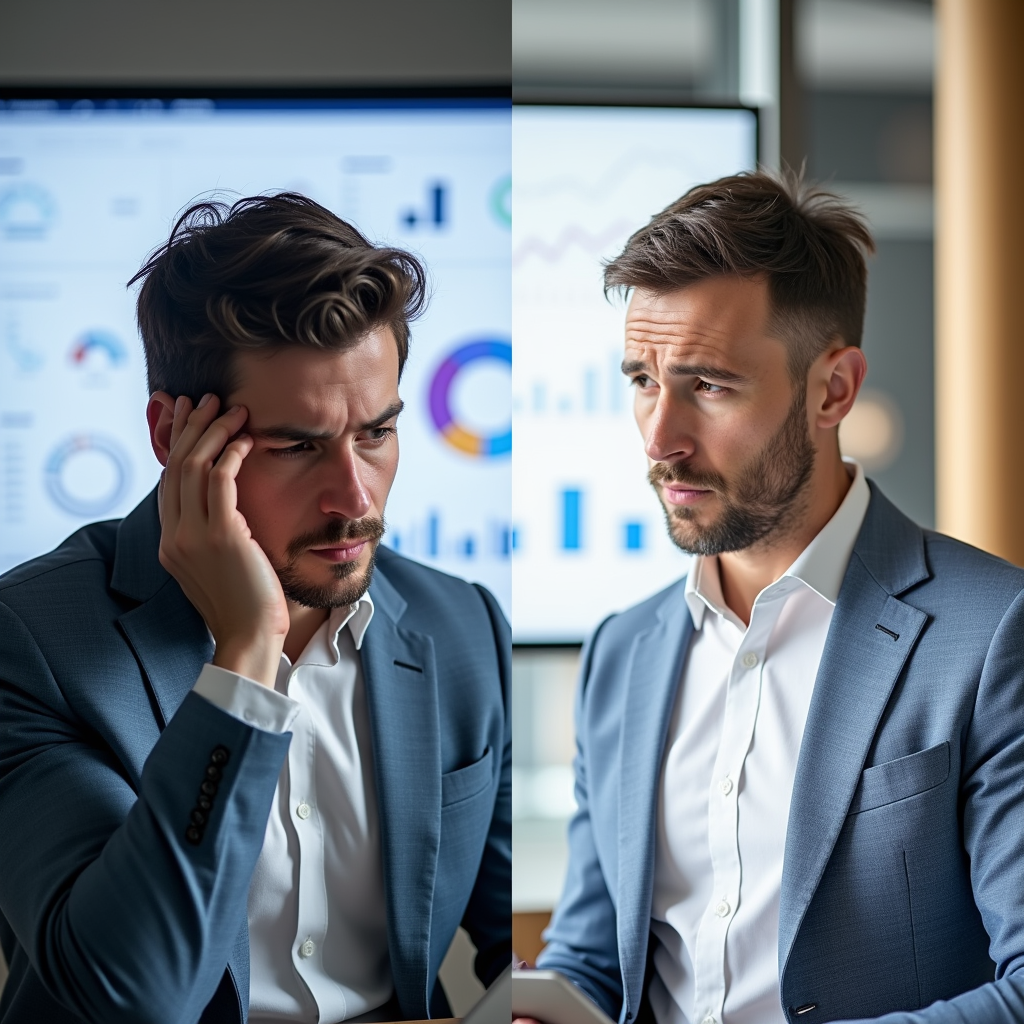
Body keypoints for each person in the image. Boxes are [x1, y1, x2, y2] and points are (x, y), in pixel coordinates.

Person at [0, 194, 511, 1024]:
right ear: (175, 437)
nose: (354, 498)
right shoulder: (34, 645)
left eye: (376, 434)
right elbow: (129, 993)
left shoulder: (463, 628)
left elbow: (524, 957)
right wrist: (245, 657)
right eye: (298, 446)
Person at [529, 172, 1024, 1023]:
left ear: (832, 390)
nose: (659, 438)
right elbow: (593, 958)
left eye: (709, 386)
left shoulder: (992, 632)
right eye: (642, 379)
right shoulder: (623, 651)